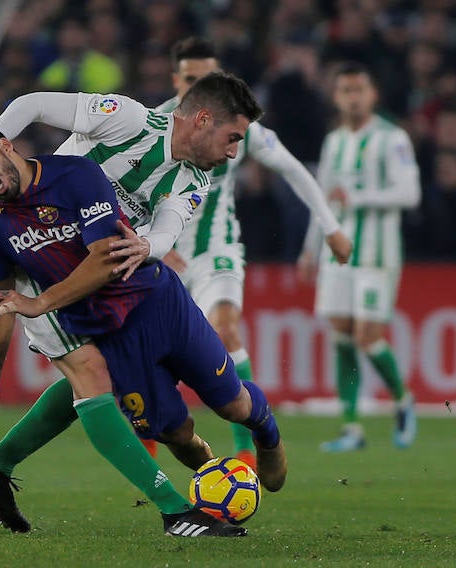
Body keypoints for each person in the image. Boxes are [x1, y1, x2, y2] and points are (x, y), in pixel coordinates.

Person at [0, 73, 284, 526]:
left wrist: (149, 246)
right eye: (232, 138)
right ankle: (174, 511)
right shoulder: (127, 120)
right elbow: (31, 102)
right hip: (39, 261)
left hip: (104, 279)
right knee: (90, 374)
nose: (233, 152)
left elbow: (166, 228)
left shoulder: (192, 180)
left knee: (89, 378)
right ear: (203, 119)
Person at [154, 37, 352, 467]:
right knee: (144, 353)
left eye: (206, 77)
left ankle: (247, 447)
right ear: (176, 80)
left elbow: (294, 170)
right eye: (190, 79)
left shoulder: (242, 129)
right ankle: (150, 442)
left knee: (224, 331)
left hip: (214, 249)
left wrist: (331, 228)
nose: (198, 86)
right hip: (158, 254)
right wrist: (150, 244)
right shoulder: (153, 125)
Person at [297, 62, 420, 452]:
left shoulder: (393, 139)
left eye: (359, 90)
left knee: (368, 338)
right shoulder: (335, 141)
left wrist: (360, 198)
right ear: (336, 97)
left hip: (376, 255)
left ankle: (403, 399)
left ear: (373, 95)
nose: (353, 97)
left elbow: (409, 194)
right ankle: (351, 427)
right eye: (346, 90)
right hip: (339, 255)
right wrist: (309, 249)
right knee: (341, 337)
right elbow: (322, 199)